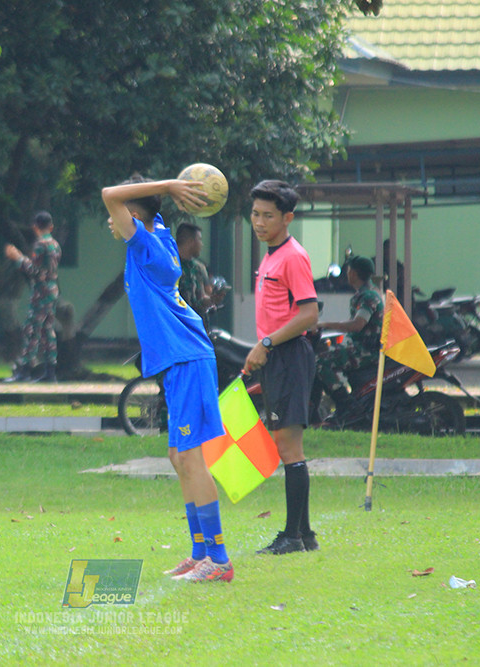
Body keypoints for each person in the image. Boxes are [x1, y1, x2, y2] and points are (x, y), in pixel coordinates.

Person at [102, 174, 233, 583]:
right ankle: (199, 553)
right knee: (179, 457)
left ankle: (219, 560)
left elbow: (109, 194)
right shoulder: (158, 231)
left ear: (133, 215)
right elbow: (131, 202)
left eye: (118, 216)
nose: (110, 220)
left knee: (191, 458)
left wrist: (170, 186)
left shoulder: (145, 243)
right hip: (180, 361)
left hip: (187, 357)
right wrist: (162, 193)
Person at [242, 179, 320, 556]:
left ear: (287, 218)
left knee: (289, 447)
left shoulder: (292, 256)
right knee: (285, 444)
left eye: (268, 216)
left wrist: (267, 343)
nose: (259, 222)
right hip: (277, 357)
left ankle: (292, 536)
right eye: (255, 214)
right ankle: (304, 534)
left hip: (288, 355)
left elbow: (309, 313)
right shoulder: (271, 254)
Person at [314, 255, 383, 415]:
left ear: (353, 273)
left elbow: (357, 324)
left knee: (320, 362)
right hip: (363, 349)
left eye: (349, 270)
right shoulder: (369, 293)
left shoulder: (368, 296)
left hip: (365, 352)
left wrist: (325, 324)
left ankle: (347, 404)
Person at [3, 211, 62, 382]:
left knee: (31, 329)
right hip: (52, 290)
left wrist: (18, 258)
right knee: (47, 330)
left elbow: (35, 271)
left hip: (41, 292)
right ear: (51, 227)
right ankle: (50, 372)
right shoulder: (56, 245)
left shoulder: (41, 245)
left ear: (35, 227)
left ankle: (24, 371)